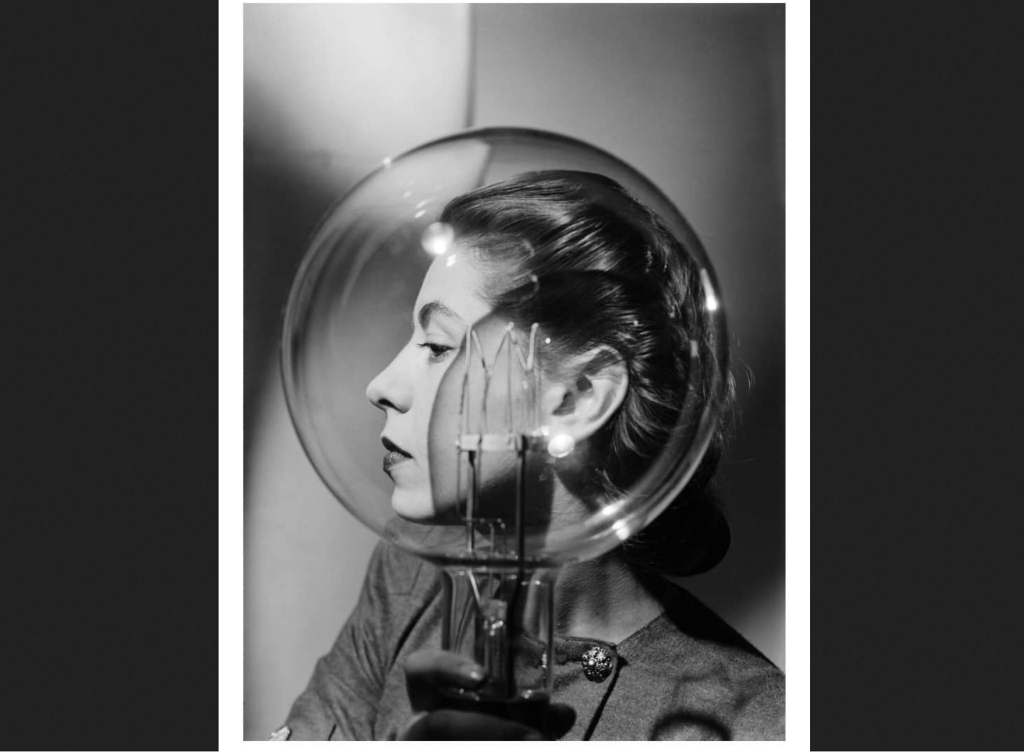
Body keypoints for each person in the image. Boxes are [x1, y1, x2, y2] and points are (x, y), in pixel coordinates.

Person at [276, 171, 784, 740]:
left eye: (438, 346)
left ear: (577, 398)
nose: (382, 385)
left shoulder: (755, 722)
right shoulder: (410, 574)